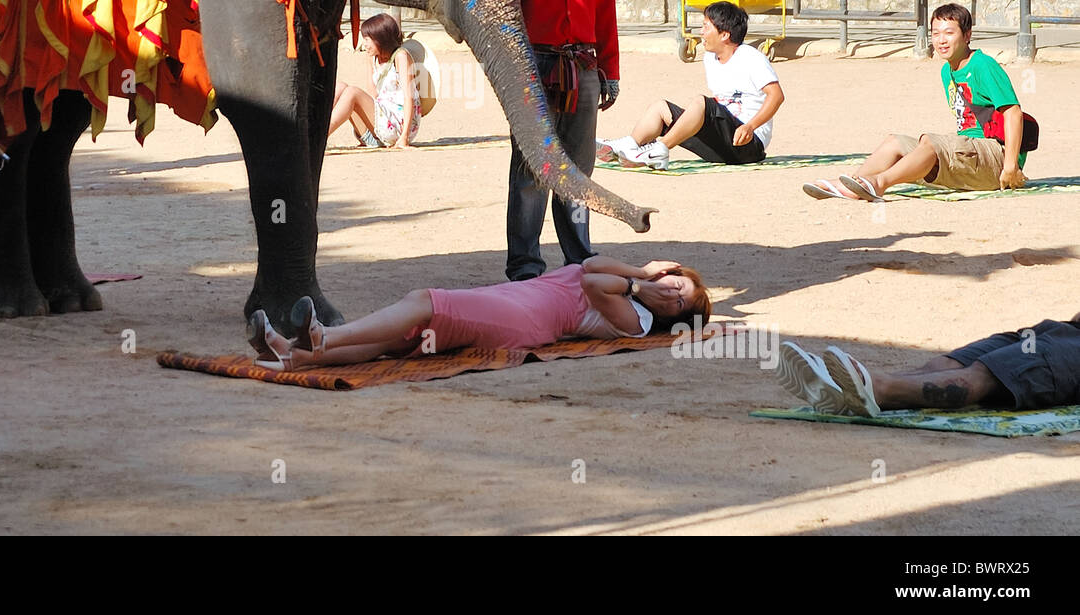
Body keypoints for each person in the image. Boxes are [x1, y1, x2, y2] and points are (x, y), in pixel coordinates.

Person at [247, 256, 711, 370]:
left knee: (426, 303)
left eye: (678, 301)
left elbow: (592, 282)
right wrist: (644, 271)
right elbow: (589, 264)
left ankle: (324, 337)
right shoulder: (639, 281)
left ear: (670, 319)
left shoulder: (639, 323)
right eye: (676, 281)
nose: (670, 292)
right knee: (403, 337)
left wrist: (637, 283)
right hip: (517, 302)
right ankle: (293, 355)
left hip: (525, 321)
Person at [508, 0, 620, 281]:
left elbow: (604, 6)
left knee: (578, 167)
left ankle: (579, 258)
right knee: (532, 167)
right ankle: (525, 267)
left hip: (584, 62)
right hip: (533, 62)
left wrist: (610, 69)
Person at [803, 3, 1029, 201]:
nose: (941, 40)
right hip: (969, 152)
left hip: (994, 157)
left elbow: (1013, 112)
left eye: (949, 33)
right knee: (895, 142)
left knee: (931, 142)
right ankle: (853, 184)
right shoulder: (946, 71)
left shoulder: (983, 65)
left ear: (967, 35)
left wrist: (1010, 166)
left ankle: (878, 184)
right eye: (936, 33)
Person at [597, 1, 784, 170]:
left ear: (724, 35)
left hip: (748, 145)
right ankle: (629, 146)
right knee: (661, 108)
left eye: (706, 26)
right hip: (721, 145)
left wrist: (750, 126)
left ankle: (658, 151)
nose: (701, 32)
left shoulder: (750, 57)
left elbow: (776, 96)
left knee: (701, 102)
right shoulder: (711, 58)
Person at [776, 314, 1080, 416]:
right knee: (946, 362)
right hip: (1065, 328)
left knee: (985, 375)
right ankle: (849, 392)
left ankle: (877, 390)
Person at [328, 12, 421, 149]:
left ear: (381, 39)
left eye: (367, 39)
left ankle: (318, 139)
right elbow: (374, 95)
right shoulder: (374, 58)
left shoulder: (400, 57)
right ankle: (313, 131)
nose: (364, 44)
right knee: (341, 87)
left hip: (397, 126)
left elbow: (409, 97)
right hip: (379, 123)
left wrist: (404, 137)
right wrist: (369, 63)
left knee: (352, 92)